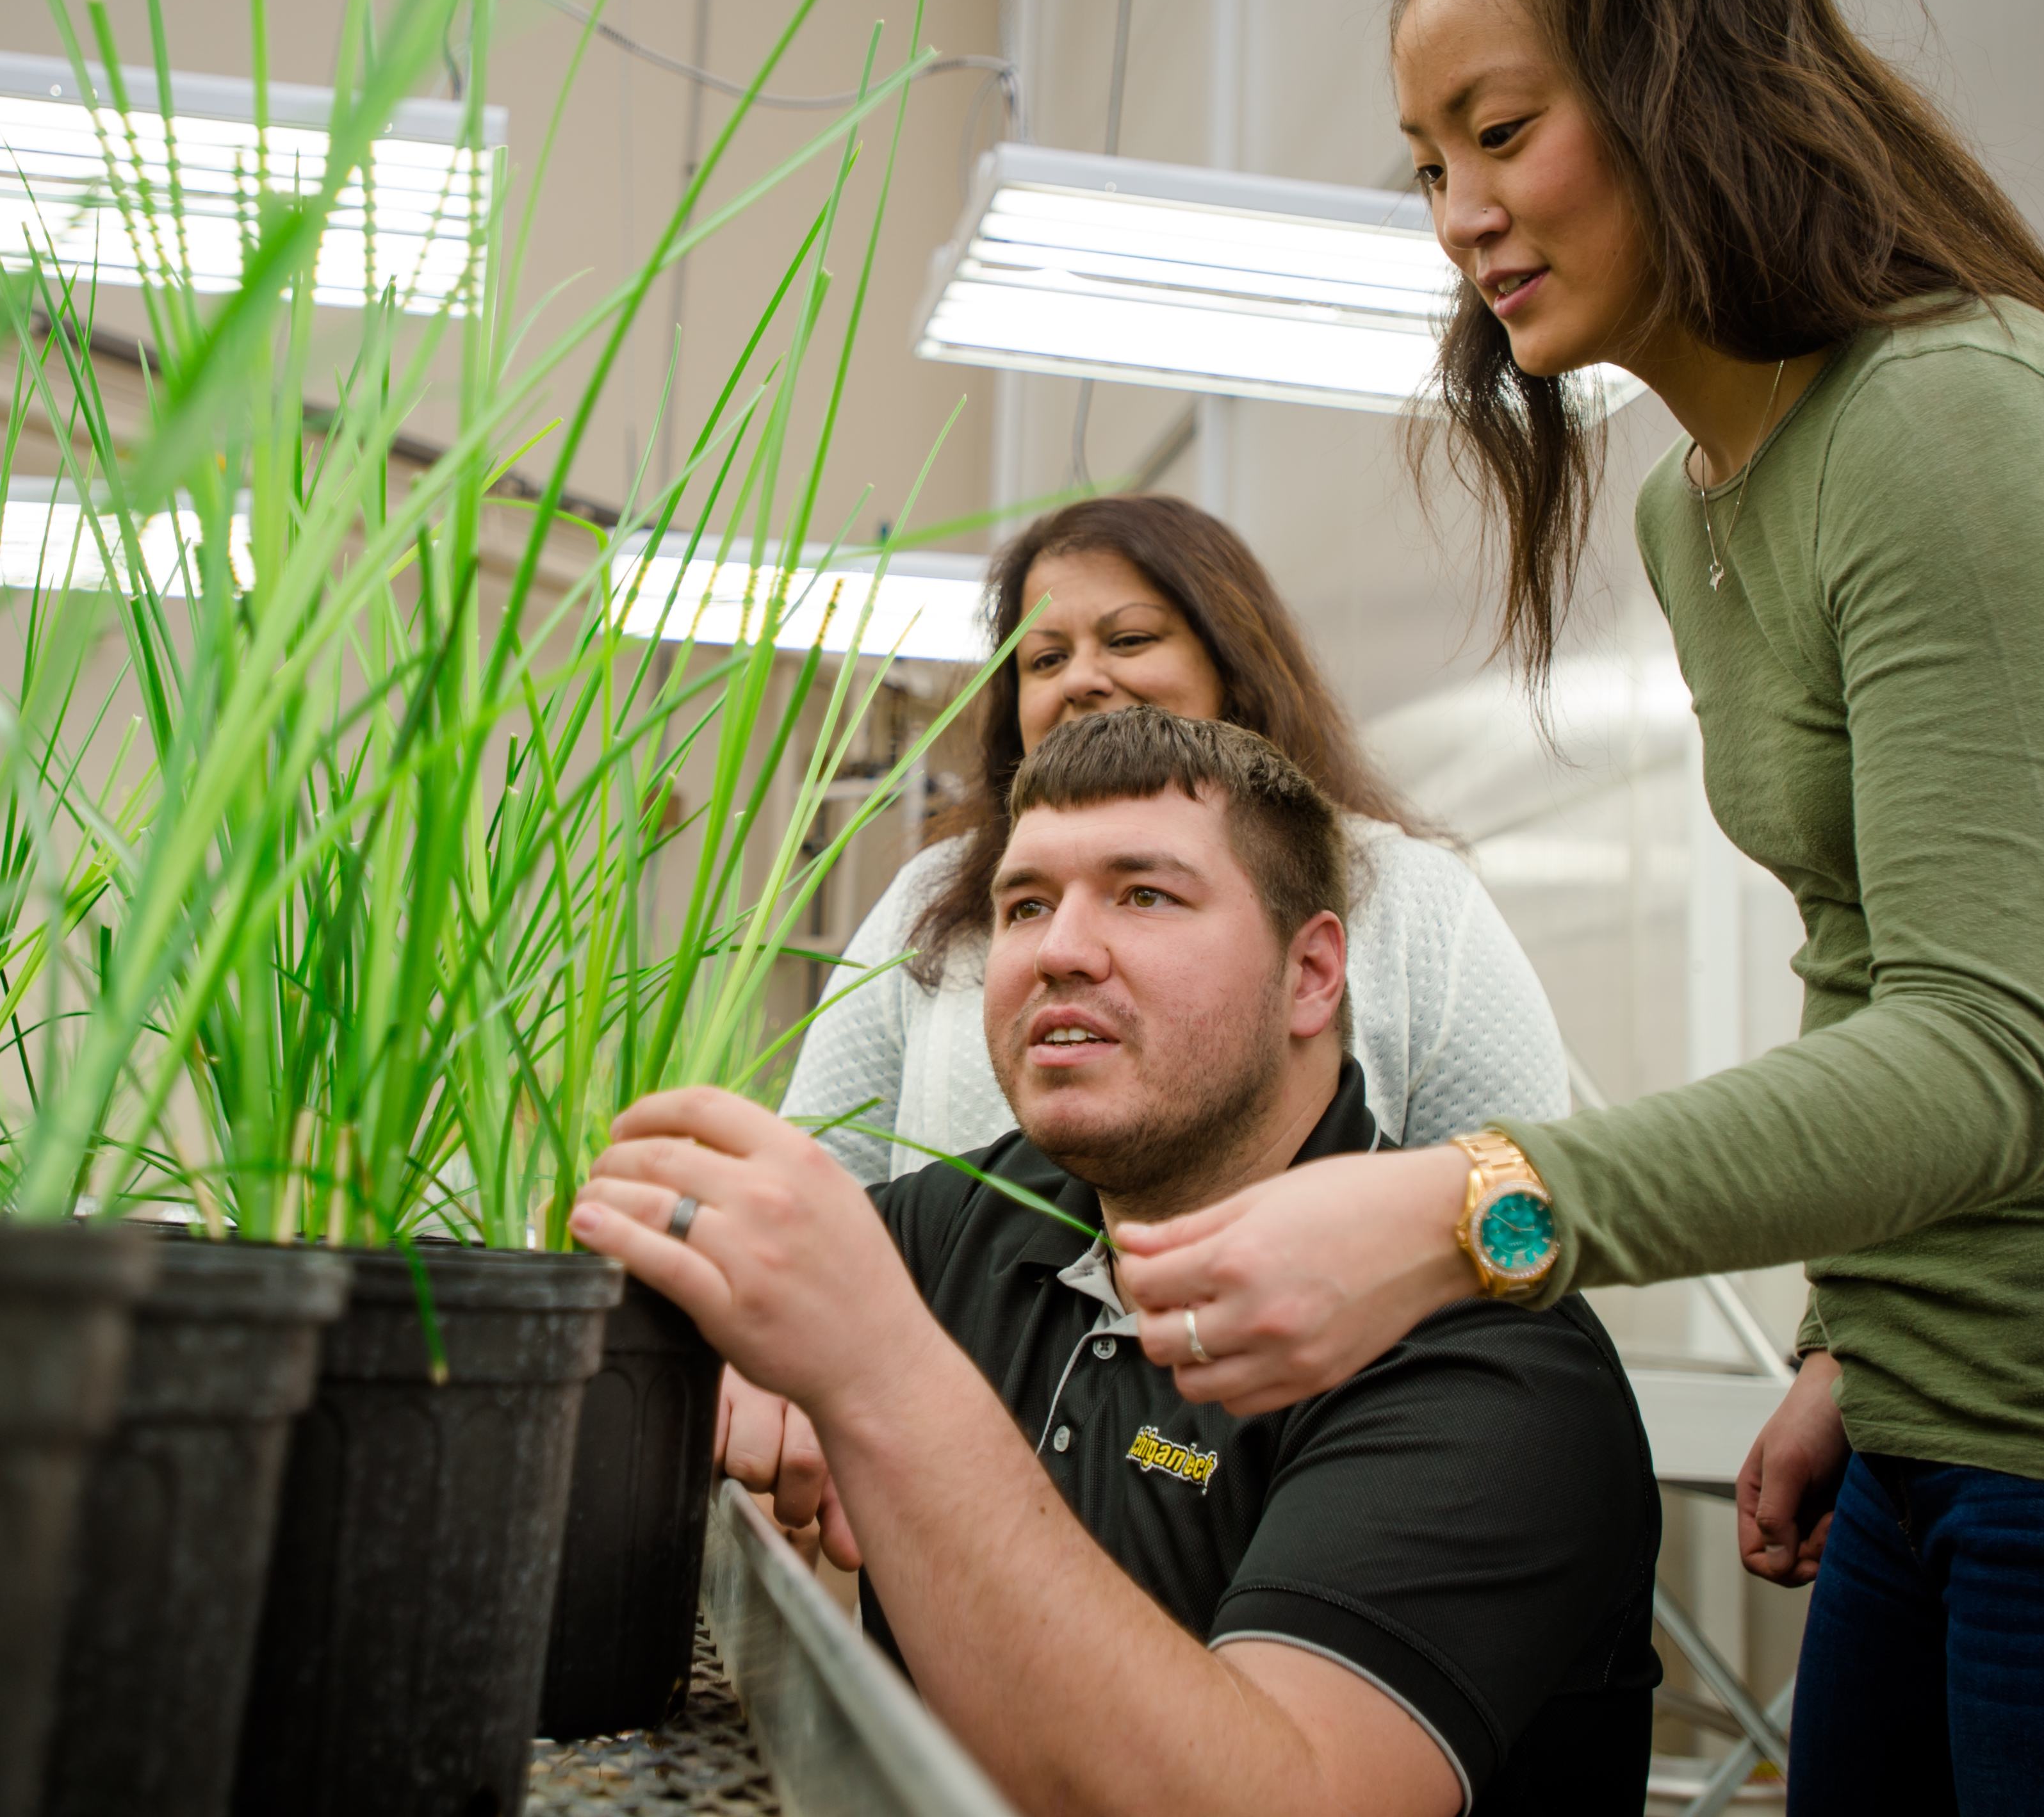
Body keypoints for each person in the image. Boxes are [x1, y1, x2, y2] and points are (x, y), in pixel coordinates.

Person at [1097, 0, 2044, 1811]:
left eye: (1499, 130)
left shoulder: (1952, 425)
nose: (1455, 210)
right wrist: (1850, 1341)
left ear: (1678, 82)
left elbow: (1990, 1048)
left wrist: (1463, 1210)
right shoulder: (1712, 505)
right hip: (1933, 1419)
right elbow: (1869, 974)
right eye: (1427, 161)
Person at [573, 709, 1659, 1817]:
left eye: (1145, 895)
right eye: (1025, 905)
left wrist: (875, 1374)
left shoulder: (1482, 1352)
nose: (1057, 950)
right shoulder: (971, 1223)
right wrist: (705, 1352)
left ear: (1312, 976)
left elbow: (1289, 1799)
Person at [785, 493, 1565, 1177]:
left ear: (1234, 664)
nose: (1081, 677)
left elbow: (1519, 1192)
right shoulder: (933, 900)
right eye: (1045, 657)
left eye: (1128, 641)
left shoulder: (1410, 895)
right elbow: (820, 1184)